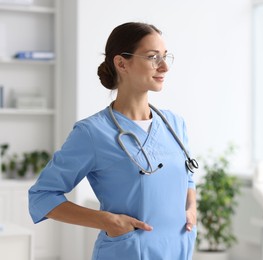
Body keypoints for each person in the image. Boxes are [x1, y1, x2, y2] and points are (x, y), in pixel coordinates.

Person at [28, 22, 197, 260]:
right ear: (121, 63)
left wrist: (192, 207)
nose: (164, 66)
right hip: (128, 252)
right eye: (152, 57)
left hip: (178, 250)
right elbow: (42, 196)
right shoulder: (92, 133)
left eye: (165, 56)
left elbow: (187, 175)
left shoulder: (175, 124)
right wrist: (108, 221)